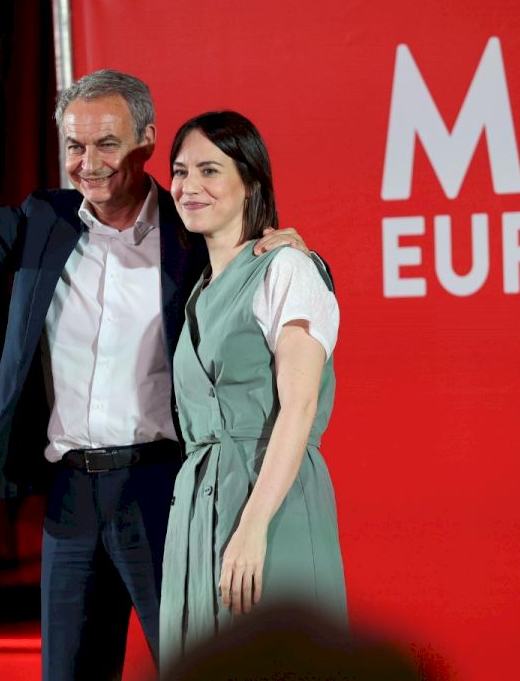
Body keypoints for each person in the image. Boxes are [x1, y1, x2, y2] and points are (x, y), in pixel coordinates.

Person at [0, 41, 313, 681]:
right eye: (75, 145)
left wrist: (279, 240)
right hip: (70, 499)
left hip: (162, 489)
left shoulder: (190, 232)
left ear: (147, 141)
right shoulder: (43, 221)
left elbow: (255, 252)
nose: (88, 163)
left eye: (106, 144)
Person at [159, 111, 347, 671]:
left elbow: (300, 407)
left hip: (269, 501)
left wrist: (254, 526)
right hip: (198, 512)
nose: (189, 186)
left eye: (209, 170)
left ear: (251, 183)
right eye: (180, 171)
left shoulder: (288, 268)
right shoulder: (198, 290)